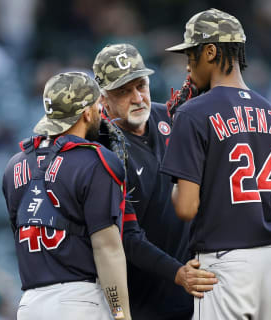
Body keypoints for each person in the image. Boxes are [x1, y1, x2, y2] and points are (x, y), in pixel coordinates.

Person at [161, 8, 271, 320]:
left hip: (227, 264)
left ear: (210, 51)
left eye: (191, 54)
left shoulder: (194, 113)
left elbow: (185, 208)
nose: (187, 64)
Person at [93, 43, 217, 320]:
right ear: (103, 100)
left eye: (141, 86)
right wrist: (176, 273)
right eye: (123, 91)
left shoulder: (173, 117)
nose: (137, 98)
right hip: (139, 300)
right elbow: (124, 237)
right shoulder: (100, 148)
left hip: (193, 290)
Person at [2, 72, 131, 320]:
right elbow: (107, 248)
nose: (100, 111)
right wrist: (120, 313)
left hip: (29, 305)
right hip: (78, 302)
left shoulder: (13, 165)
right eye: (96, 104)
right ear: (85, 112)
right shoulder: (95, 161)